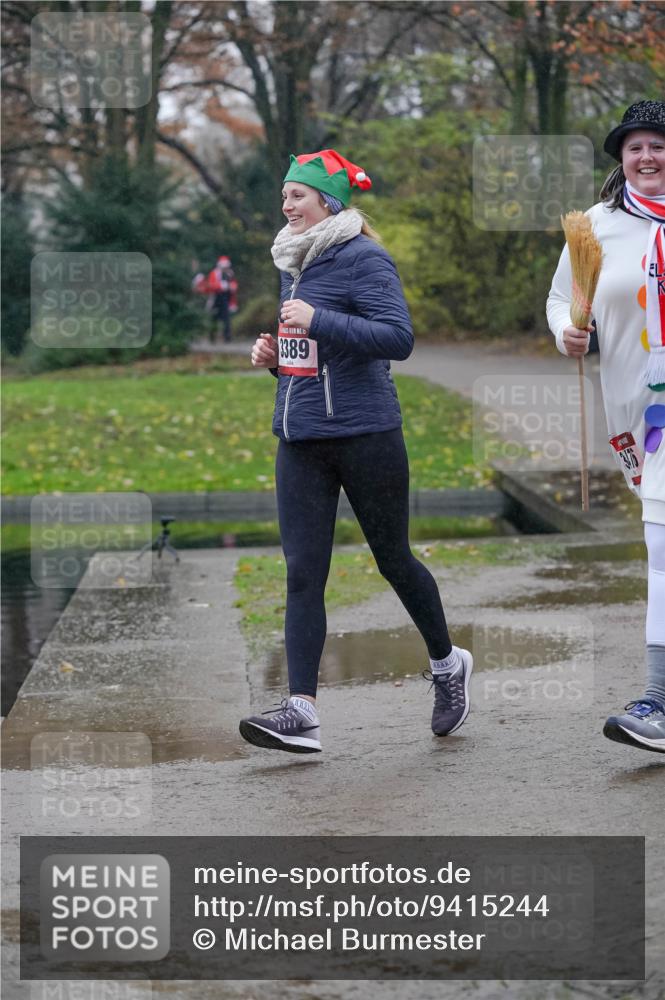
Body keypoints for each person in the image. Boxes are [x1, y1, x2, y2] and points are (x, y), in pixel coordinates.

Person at [238, 148, 473, 754]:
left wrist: (317, 319)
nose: (286, 204)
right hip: (300, 440)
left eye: (298, 195)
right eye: (285, 194)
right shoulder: (294, 262)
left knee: (393, 559)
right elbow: (310, 360)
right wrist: (274, 361)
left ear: (328, 204)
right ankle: (301, 712)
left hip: (367, 436)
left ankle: (448, 667)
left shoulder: (363, 256)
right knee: (302, 574)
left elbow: (398, 338)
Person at [547, 100, 665, 754]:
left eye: (658, 145)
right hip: (638, 411)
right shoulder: (595, 227)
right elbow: (562, 299)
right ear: (620, 158)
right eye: (634, 147)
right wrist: (565, 331)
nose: (646, 157)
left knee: (660, 550)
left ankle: (656, 700)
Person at [206, 255, 238, 343]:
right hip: (216, 299)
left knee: (226, 319)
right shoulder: (214, 273)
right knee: (214, 318)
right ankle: (212, 337)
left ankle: (227, 338)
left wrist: (232, 286)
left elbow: (234, 284)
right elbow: (210, 285)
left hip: (226, 299)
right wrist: (221, 286)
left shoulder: (230, 273)